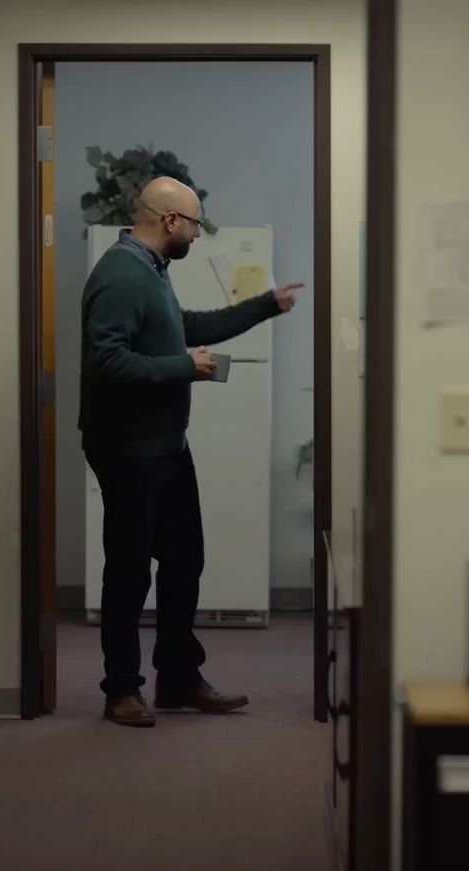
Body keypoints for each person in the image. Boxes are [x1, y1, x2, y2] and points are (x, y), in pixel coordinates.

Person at [78, 176, 304, 727]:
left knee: (184, 560)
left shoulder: (152, 272)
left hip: (166, 446)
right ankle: (121, 691)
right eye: (196, 224)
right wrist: (183, 367)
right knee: (130, 571)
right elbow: (105, 360)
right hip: (128, 449)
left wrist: (265, 306)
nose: (199, 235)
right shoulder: (119, 274)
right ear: (170, 221)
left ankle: (177, 678)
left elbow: (188, 326)